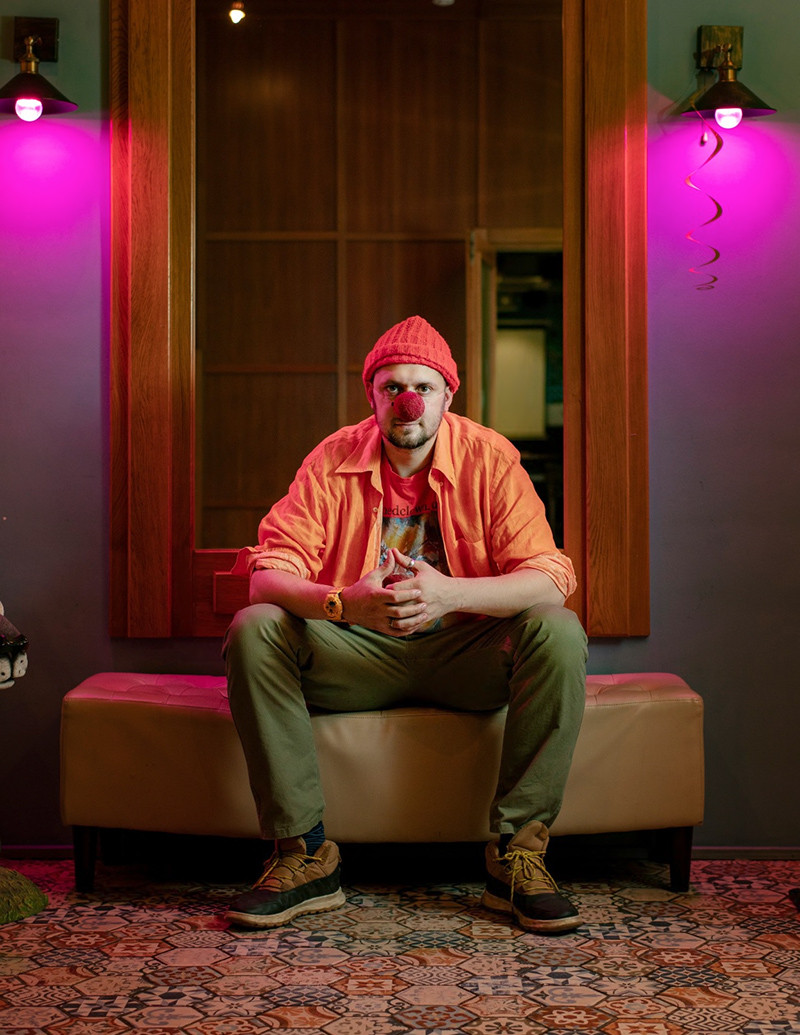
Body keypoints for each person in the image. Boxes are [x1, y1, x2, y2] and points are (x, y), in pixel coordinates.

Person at [223, 315, 588, 933]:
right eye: (392, 387)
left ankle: (518, 856)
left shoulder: (490, 458)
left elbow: (551, 577)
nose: (407, 401)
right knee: (255, 626)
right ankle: (304, 855)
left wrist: (449, 595)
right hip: (356, 654)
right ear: (371, 395)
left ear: (448, 396)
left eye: (423, 387)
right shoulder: (331, 459)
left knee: (557, 628)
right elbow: (266, 576)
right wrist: (344, 605)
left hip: (464, 657)